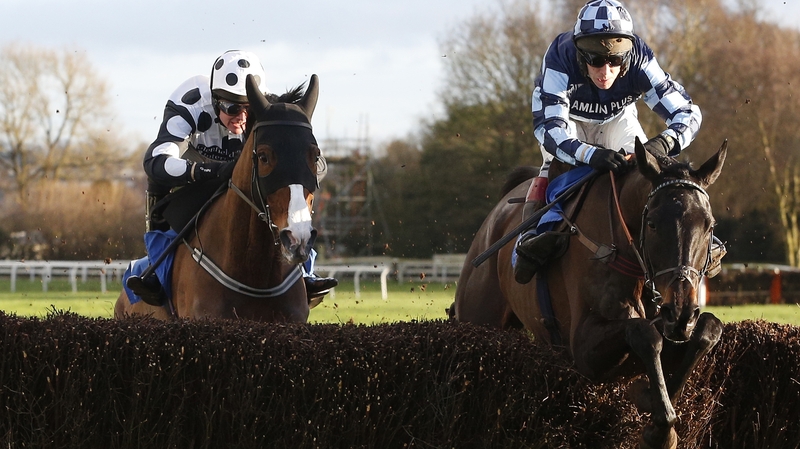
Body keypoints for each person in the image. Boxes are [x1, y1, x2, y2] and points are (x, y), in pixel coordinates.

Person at [513, 0, 722, 283]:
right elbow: (551, 130)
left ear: (628, 54)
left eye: (615, 60)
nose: (605, 70)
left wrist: (663, 144)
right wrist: (590, 155)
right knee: (557, 167)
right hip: (567, 122)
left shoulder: (640, 60)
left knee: (652, 170)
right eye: (595, 59)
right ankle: (533, 236)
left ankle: (698, 236)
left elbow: (687, 113)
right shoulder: (560, 56)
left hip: (617, 120)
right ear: (579, 52)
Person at [130, 49, 338, 305]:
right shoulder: (191, 103)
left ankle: (305, 269)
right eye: (231, 108)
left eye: (248, 109)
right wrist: (212, 171)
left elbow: (313, 164)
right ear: (215, 100)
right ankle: (155, 270)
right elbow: (156, 161)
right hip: (195, 170)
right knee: (158, 180)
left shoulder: (267, 108)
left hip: (241, 172)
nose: (240, 117)